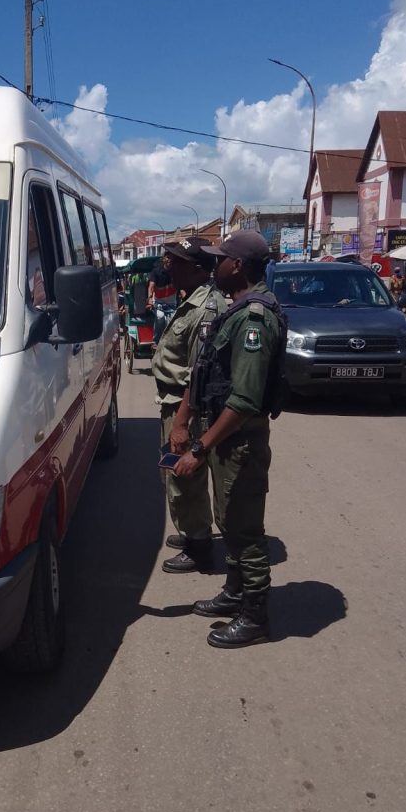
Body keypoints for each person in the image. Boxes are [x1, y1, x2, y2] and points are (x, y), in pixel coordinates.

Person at [171, 230, 285, 648]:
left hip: (240, 442)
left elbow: (244, 400)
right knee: (228, 519)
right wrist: (183, 419)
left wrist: (199, 447)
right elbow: (205, 371)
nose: (213, 265)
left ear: (237, 266)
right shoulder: (235, 309)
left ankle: (255, 616)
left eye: (220, 259)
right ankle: (235, 592)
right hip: (225, 440)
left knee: (244, 529)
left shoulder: (255, 318)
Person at [151, 237, 226, 573]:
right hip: (175, 401)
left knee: (185, 476)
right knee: (176, 473)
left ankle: (199, 546)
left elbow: (199, 374)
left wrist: (181, 423)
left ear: (196, 269)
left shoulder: (206, 309)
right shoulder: (191, 299)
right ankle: (192, 531)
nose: (169, 266)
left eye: (176, 262)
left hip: (186, 405)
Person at [147, 249, 178, 346]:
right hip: (159, 301)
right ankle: (156, 341)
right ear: (163, 259)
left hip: (172, 302)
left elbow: (181, 287)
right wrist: (150, 299)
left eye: (171, 258)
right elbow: (151, 287)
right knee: (160, 317)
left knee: (172, 320)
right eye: (168, 257)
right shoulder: (156, 271)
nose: (169, 260)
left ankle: (170, 342)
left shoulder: (176, 272)